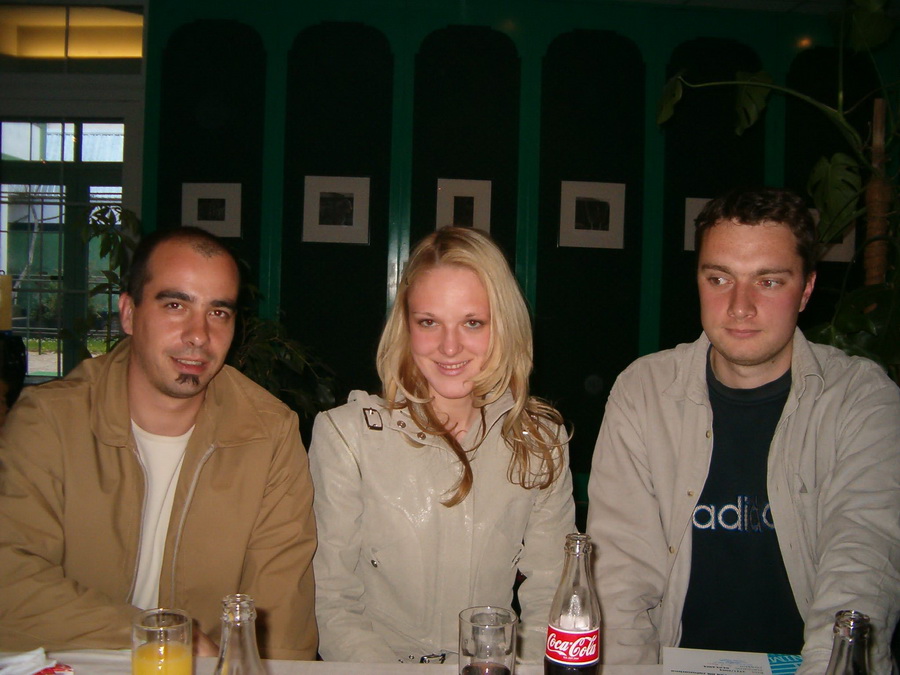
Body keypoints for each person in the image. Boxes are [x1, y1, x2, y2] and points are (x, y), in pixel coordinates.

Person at [587, 187, 900, 673]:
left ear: (807, 289)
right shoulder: (644, 391)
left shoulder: (861, 399)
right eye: (719, 278)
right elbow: (619, 584)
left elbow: (861, 571)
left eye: (768, 282)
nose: (739, 306)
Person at [0, 227, 318, 660]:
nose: (199, 335)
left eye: (218, 312)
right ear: (129, 314)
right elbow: (10, 583)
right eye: (175, 305)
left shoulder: (270, 434)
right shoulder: (49, 421)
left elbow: (282, 623)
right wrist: (164, 637)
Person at [310, 226, 576, 664]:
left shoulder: (541, 443)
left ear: (503, 326)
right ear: (406, 326)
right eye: (429, 322)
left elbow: (551, 594)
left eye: (472, 323)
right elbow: (332, 603)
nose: (449, 347)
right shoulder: (347, 436)